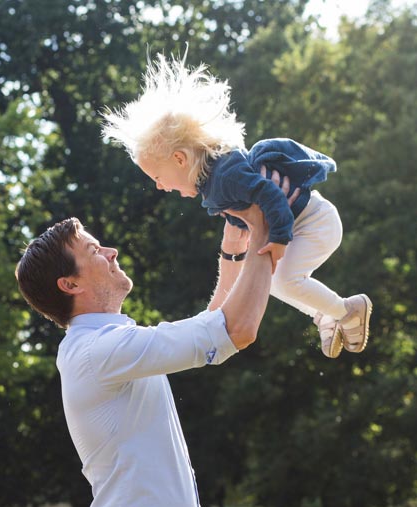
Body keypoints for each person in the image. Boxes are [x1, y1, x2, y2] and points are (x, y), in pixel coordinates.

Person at [15, 177, 290, 507]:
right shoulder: (99, 350)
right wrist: (263, 229)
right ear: (70, 285)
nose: (111, 252)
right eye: (94, 250)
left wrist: (235, 250)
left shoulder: (108, 345)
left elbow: (214, 326)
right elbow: (236, 329)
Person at [101, 53, 372, 358]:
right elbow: (241, 243)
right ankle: (326, 314)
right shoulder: (216, 183)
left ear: (180, 159)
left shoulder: (226, 176)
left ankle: (347, 311)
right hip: (306, 225)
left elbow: (269, 194)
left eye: (157, 177)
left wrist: (279, 237)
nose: (159, 186)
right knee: (273, 282)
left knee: (283, 280)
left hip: (316, 223)